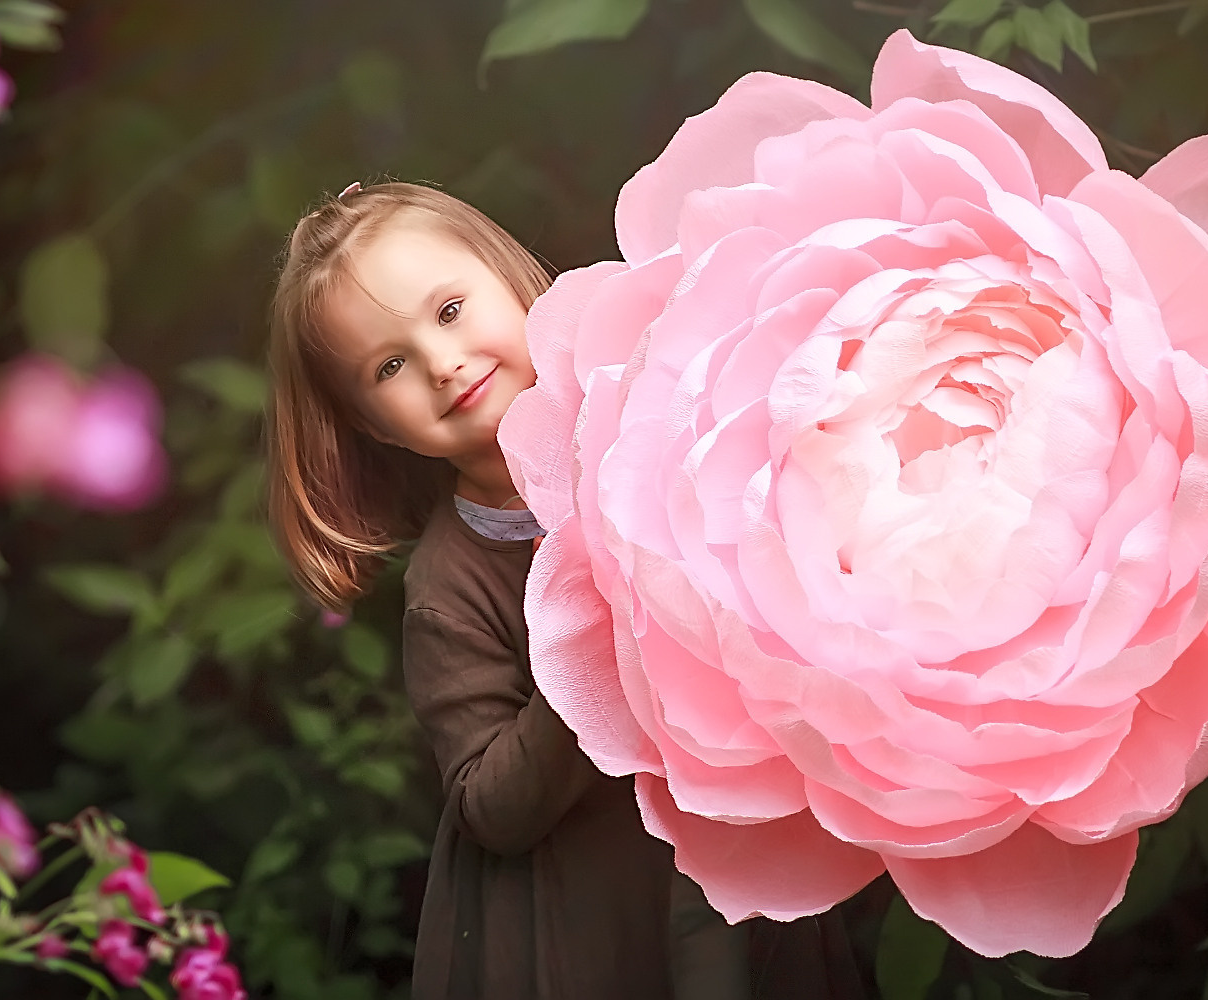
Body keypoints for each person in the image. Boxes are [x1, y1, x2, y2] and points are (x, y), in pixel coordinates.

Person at [264, 180, 870, 999]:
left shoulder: (650, 417)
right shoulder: (449, 586)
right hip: (595, 912)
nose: (443, 364)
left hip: (730, 847)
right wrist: (589, 644)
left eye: (448, 312)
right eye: (391, 365)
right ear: (372, 422)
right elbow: (491, 808)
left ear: (512, 284)